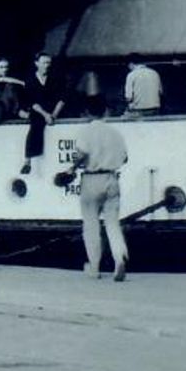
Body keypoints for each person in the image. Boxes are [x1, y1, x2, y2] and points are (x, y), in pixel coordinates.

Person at [71, 96, 129, 281]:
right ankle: (119, 257)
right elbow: (125, 158)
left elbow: (82, 154)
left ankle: (94, 267)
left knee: (91, 224)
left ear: (87, 112)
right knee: (112, 223)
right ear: (105, 111)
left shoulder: (85, 132)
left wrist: (72, 168)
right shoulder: (115, 133)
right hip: (112, 178)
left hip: (91, 179)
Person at [18, 52, 66, 175]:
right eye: (44, 62)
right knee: (35, 124)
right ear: (37, 63)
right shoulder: (30, 80)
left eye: (49, 63)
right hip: (39, 111)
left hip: (54, 110)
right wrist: (46, 115)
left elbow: (62, 99)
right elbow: (32, 102)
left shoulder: (56, 79)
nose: (47, 65)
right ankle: (27, 160)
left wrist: (54, 115)